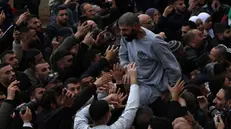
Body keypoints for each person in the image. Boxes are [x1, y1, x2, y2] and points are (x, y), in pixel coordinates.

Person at [118, 12, 181, 114]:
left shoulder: (154, 42)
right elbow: (122, 56)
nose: (122, 33)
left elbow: (172, 66)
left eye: (125, 30)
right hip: (135, 80)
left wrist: (169, 89)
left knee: (133, 105)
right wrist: (127, 69)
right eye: (121, 30)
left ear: (136, 27)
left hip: (152, 86)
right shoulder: (126, 37)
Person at [74, 63, 139, 129]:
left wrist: (105, 100)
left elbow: (80, 114)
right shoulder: (118, 127)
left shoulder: (79, 127)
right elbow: (131, 107)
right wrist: (133, 78)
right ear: (108, 116)